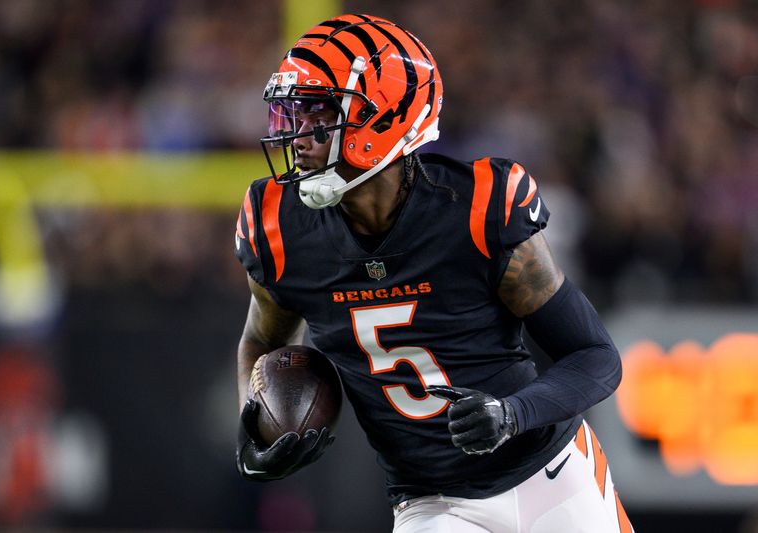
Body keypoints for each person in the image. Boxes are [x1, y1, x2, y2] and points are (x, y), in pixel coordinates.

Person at [234, 13, 633, 533]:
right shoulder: (280, 228)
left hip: (550, 476)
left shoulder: (477, 208)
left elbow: (596, 357)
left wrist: (511, 413)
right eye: (293, 114)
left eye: (319, 113)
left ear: (384, 116)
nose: (299, 135)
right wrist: (253, 421)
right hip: (431, 503)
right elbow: (259, 343)